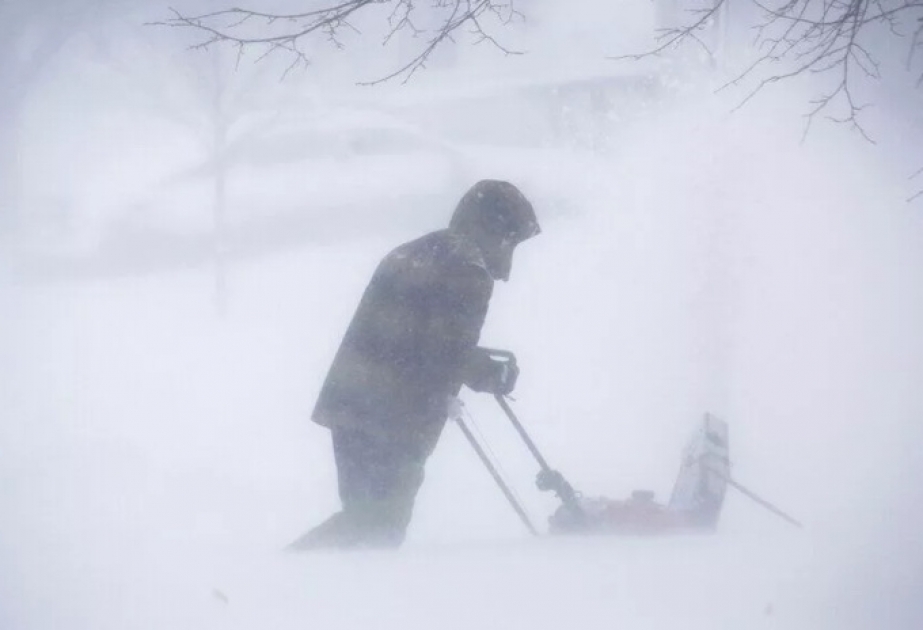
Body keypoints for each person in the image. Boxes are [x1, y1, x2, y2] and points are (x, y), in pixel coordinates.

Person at [292, 179, 541, 550]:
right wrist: (489, 373)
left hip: (351, 404)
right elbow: (443, 351)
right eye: (510, 240)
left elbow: (420, 337)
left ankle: (313, 586)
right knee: (378, 526)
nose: (507, 260)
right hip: (394, 416)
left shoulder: (416, 252)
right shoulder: (467, 268)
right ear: (493, 230)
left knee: (366, 520)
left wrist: (473, 364)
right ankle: (287, 576)